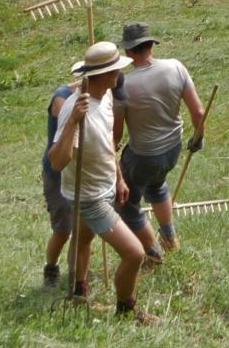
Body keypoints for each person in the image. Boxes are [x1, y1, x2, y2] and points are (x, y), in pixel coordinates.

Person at [47, 41, 154, 324]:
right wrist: (72, 122)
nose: (120, 73)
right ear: (107, 74)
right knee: (134, 254)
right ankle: (126, 310)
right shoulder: (76, 110)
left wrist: (118, 177)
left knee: (82, 240)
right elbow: (57, 161)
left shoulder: (104, 97)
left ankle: (78, 291)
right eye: (117, 69)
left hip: (104, 186)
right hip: (88, 197)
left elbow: (108, 140)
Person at [111, 22, 206, 263]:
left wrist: (110, 152)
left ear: (129, 52)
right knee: (157, 185)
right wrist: (198, 137)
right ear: (151, 45)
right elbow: (198, 112)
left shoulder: (126, 85)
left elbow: (117, 131)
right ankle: (170, 237)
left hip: (143, 155)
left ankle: (153, 252)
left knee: (126, 205)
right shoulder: (176, 67)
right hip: (172, 149)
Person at [39, 79, 80, 288]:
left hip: (82, 173)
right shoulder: (61, 97)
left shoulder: (99, 95)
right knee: (63, 229)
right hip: (57, 175)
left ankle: (76, 274)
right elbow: (67, 122)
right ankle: (51, 268)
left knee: (82, 229)